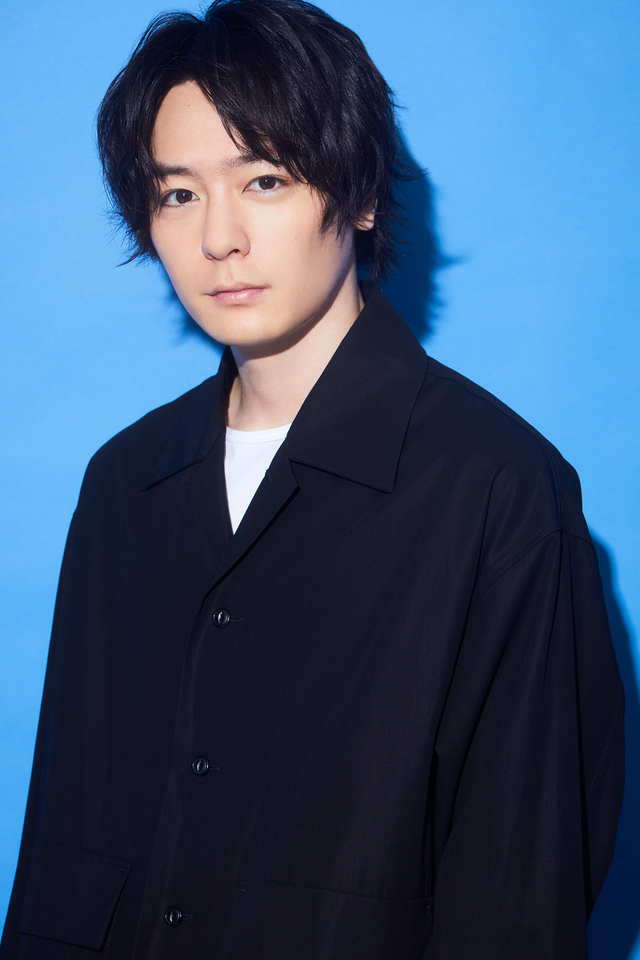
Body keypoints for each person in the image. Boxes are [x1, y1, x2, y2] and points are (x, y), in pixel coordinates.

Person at [0, 1, 624, 958]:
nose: (219, 238)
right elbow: (65, 836)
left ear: (360, 195)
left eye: (264, 179)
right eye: (178, 194)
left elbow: (521, 896)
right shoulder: (124, 481)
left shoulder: (498, 487)